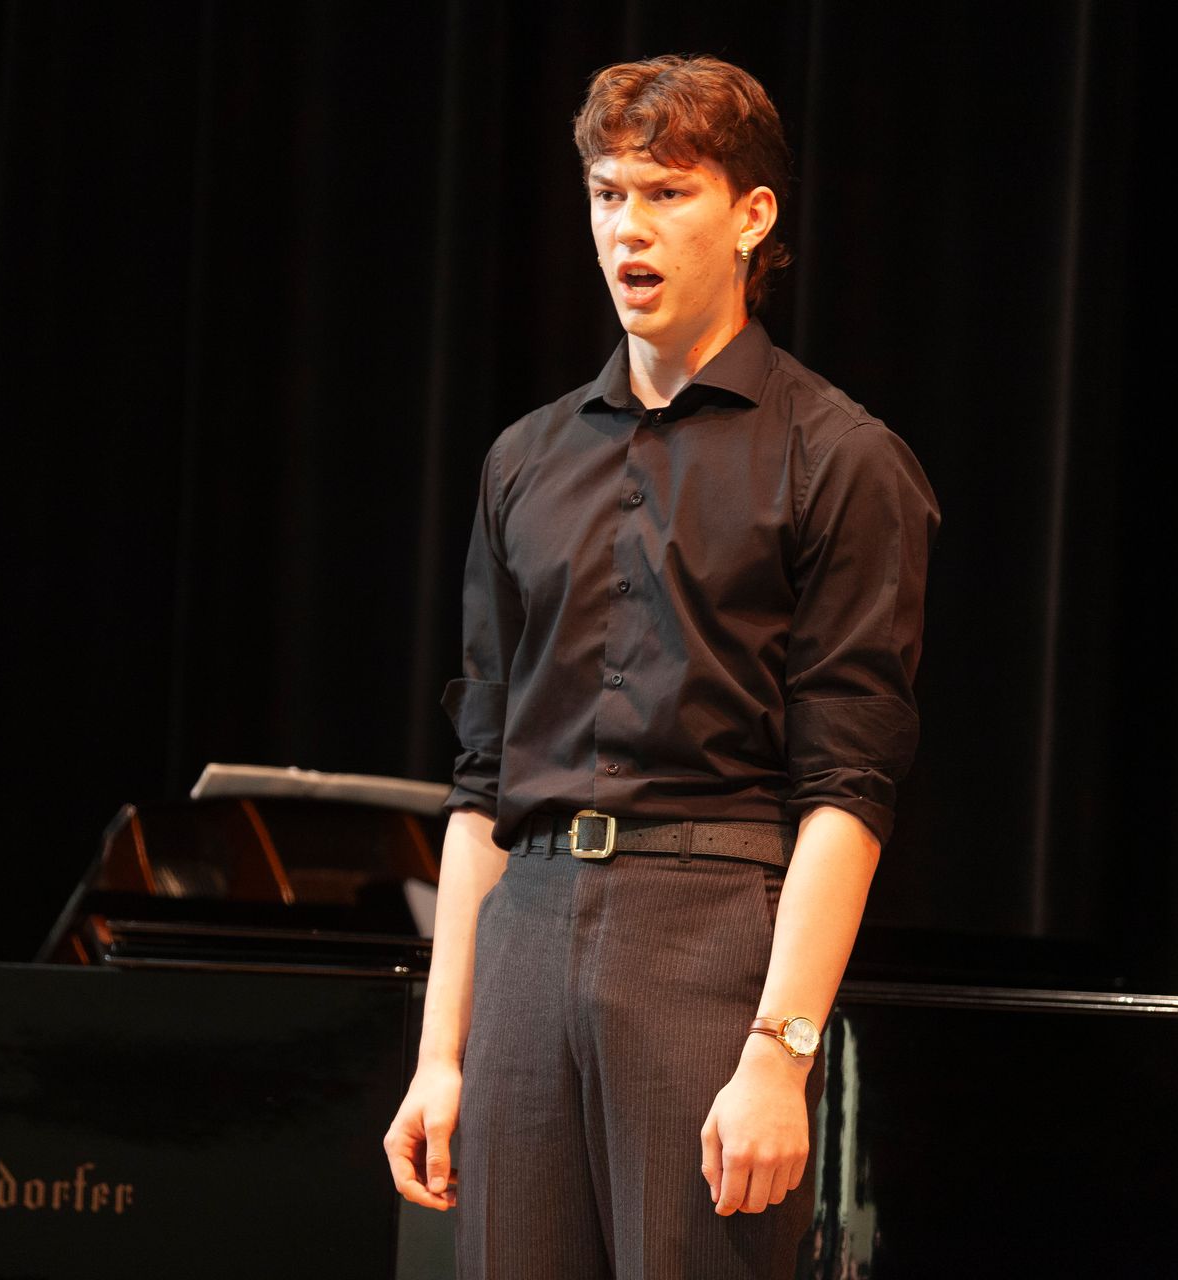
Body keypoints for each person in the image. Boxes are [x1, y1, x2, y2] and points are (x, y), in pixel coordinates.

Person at [384, 55, 938, 1277]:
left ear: (751, 216)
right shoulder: (524, 460)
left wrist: (779, 1049)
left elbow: (848, 788)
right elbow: (482, 778)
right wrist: (441, 1051)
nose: (626, 228)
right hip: (526, 936)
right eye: (606, 194)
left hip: (706, 933)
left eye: (667, 193)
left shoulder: (840, 459)